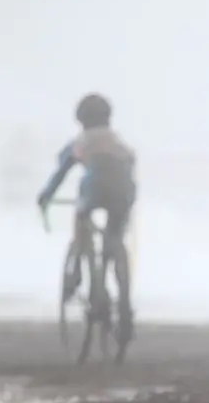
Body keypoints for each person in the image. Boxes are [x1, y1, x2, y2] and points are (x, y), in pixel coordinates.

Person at [37, 93, 137, 342]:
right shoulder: (119, 143)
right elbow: (130, 165)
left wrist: (46, 196)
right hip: (125, 192)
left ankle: (79, 274)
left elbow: (61, 171)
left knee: (81, 216)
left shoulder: (81, 142)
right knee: (114, 235)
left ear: (81, 120)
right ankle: (118, 286)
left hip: (95, 188)